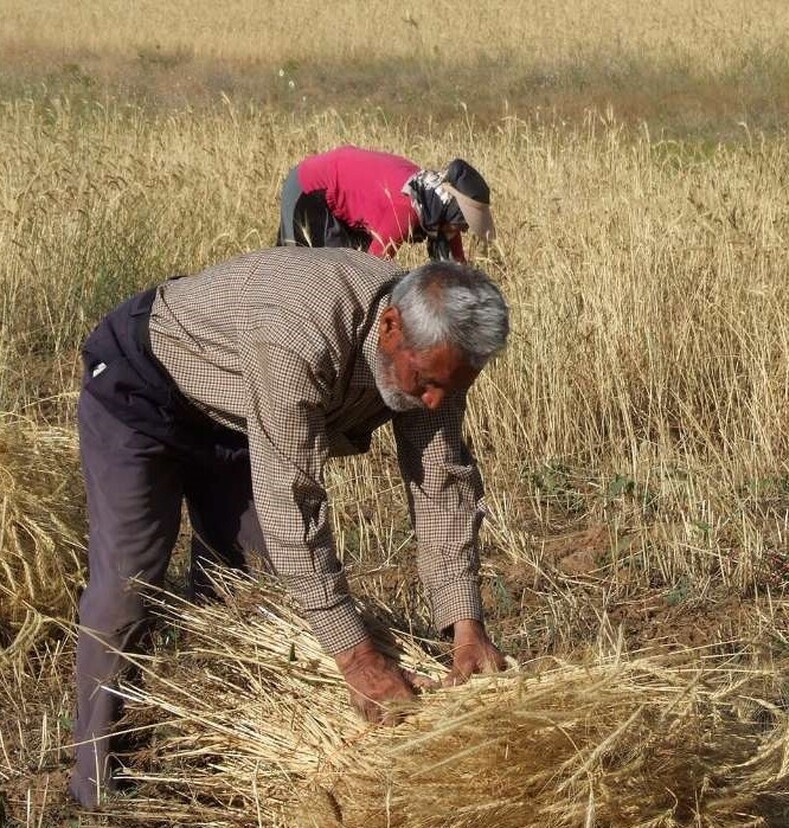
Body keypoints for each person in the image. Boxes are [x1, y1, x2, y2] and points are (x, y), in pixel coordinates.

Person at [69, 248, 510, 807]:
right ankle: (95, 785)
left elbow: (442, 484)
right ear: (390, 326)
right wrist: (359, 660)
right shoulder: (300, 329)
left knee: (255, 588)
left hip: (238, 412)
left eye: (452, 386)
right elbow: (292, 506)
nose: (435, 401)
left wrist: (465, 626)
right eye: (424, 381)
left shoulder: (439, 357)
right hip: (146, 388)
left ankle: (218, 754)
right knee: (127, 589)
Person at [277, 146, 496, 262]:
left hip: (343, 197)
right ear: (452, 210)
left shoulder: (437, 206)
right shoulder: (406, 208)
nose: (463, 230)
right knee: (314, 275)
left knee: (345, 268)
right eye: (463, 223)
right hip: (311, 189)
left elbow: (456, 270)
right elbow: (372, 267)